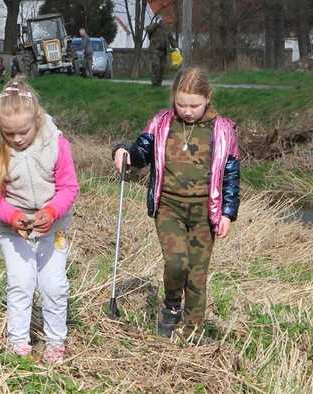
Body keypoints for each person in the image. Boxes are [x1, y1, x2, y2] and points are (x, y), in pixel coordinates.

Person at [112, 67, 240, 340]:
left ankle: (192, 329)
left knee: (196, 273)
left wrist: (228, 212)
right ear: (174, 99)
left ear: (208, 99)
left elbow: (231, 173)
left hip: (205, 213)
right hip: (169, 207)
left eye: (194, 105)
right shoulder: (162, 123)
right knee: (176, 263)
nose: (188, 111)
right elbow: (142, 150)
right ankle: (171, 307)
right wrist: (125, 153)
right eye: (181, 104)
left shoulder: (222, 130)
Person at [0, 78, 79, 364]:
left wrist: (51, 213)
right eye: (9, 133)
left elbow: (69, 188)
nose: (17, 139)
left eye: (23, 132)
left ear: (37, 119)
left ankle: (55, 341)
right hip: (12, 229)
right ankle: (18, 340)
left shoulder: (57, 144)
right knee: (21, 282)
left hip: (52, 227)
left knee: (54, 285)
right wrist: (12, 217)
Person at [145, 15, 178, 87]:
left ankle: (159, 83)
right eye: (159, 20)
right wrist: (155, 24)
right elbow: (148, 30)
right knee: (156, 65)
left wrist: (175, 47)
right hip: (154, 50)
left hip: (163, 51)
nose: (161, 22)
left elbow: (171, 38)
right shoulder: (153, 27)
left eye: (161, 21)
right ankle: (154, 83)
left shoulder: (166, 29)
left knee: (162, 67)